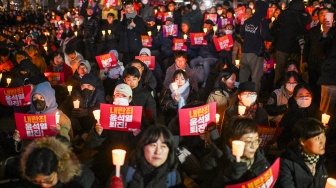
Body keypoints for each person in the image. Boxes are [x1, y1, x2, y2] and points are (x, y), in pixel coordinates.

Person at [200, 116, 270, 187]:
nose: (254, 146)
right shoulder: (213, 161)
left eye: (256, 140)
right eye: (249, 141)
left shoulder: (259, 156)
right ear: (232, 142)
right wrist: (227, 177)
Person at [109, 125, 182, 187]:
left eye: (163, 146)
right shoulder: (125, 171)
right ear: (143, 146)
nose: (158, 151)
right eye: (153, 145)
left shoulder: (174, 177)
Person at [20, 137, 94, 188]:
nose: (43, 186)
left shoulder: (79, 181)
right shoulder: (28, 177)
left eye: (48, 181)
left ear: (59, 167)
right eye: (37, 182)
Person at [276, 118, 327, 187]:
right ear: (302, 141)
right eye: (317, 138)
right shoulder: (287, 161)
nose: (322, 141)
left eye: (323, 135)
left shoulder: (322, 160)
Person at [274, 0, 312, 85]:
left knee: (279, 70)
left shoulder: (285, 14)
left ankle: (276, 89)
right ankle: (297, 87)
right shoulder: (303, 16)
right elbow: (309, 20)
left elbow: (279, 19)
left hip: (282, 46)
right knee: (296, 69)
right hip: (296, 46)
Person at [239, 0, 272, 92]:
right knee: (256, 79)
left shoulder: (248, 20)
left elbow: (241, 34)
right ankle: (254, 102)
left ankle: (241, 99)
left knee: (243, 79)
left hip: (244, 53)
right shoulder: (263, 21)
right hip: (256, 54)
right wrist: (273, 38)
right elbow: (265, 36)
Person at [278, 83, 323, 149]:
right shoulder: (289, 115)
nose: (304, 98)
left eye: (307, 95)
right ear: (295, 98)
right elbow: (282, 137)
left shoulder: (316, 113)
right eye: (300, 96)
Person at [190, 19, 219, 88]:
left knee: (206, 63)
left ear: (211, 27)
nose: (205, 26)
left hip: (211, 56)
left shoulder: (214, 35)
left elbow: (215, 49)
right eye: (204, 24)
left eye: (207, 24)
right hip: (201, 56)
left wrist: (213, 41)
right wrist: (191, 43)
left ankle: (205, 81)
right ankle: (195, 79)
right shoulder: (200, 35)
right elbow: (196, 47)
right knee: (192, 62)